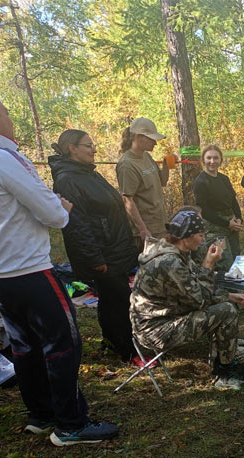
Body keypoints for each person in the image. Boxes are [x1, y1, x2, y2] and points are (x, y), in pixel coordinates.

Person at [0, 91, 118, 446]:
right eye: (6, 112)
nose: (10, 119)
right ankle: (71, 423)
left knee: (24, 344)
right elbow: (55, 215)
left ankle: (41, 414)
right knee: (62, 343)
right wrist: (62, 204)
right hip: (26, 269)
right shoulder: (0, 158)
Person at [130, 209, 244, 389]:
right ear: (185, 237)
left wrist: (228, 295)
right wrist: (209, 263)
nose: (204, 240)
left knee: (226, 304)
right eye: (200, 235)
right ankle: (224, 373)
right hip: (155, 329)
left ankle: (225, 363)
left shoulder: (176, 252)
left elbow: (195, 284)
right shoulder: (169, 261)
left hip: (166, 317)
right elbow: (199, 300)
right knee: (226, 310)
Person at [48, 129, 143, 365]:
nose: (94, 149)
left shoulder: (88, 173)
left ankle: (112, 342)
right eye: (88, 145)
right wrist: (95, 258)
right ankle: (128, 351)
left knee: (113, 299)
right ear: (72, 148)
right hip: (103, 253)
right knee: (120, 301)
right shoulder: (67, 180)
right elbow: (76, 225)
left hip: (115, 247)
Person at [116, 117, 170, 250]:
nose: (155, 143)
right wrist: (143, 230)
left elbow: (162, 182)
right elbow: (127, 200)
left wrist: (166, 165)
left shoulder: (146, 156)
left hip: (160, 224)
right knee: (153, 267)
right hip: (148, 230)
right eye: (151, 139)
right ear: (138, 137)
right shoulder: (127, 165)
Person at [193, 144, 243, 270]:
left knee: (237, 261)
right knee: (224, 263)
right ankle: (222, 290)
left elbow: (233, 201)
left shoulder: (224, 179)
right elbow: (204, 210)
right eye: (209, 158)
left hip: (232, 226)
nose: (212, 161)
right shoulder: (200, 181)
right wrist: (226, 223)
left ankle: (236, 290)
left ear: (221, 159)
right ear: (203, 160)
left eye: (216, 158)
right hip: (215, 229)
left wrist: (239, 219)